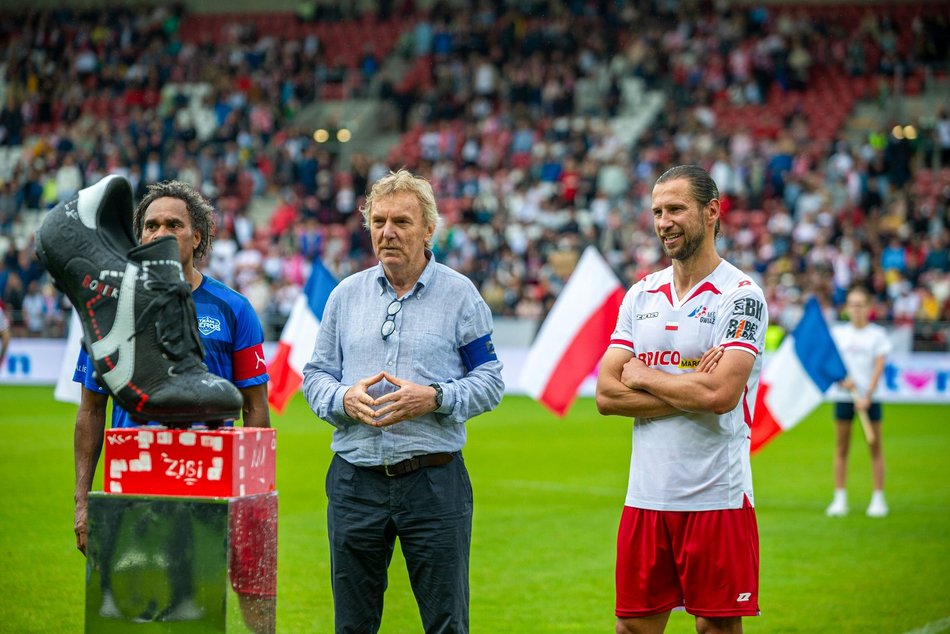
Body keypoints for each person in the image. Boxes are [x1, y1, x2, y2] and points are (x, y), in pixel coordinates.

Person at [303, 169, 504, 634]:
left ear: (429, 229)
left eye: (401, 222)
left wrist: (434, 397)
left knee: (446, 623)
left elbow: (490, 380)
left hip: (433, 482)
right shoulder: (344, 296)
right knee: (352, 625)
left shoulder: (460, 295)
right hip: (355, 483)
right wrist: (343, 397)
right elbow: (315, 377)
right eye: (378, 221)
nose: (387, 232)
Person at [71, 180, 272, 625]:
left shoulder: (233, 308)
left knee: (201, 612)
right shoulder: (108, 309)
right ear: (139, 235)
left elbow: (255, 406)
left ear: (196, 236)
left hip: (209, 489)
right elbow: (90, 409)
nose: (160, 232)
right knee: (130, 614)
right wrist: (83, 500)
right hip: (133, 487)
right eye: (151, 224)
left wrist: (254, 499)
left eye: (174, 224)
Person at [595, 165, 768, 634]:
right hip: (645, 496)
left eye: (675, 209)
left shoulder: (742, 296)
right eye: (657, 212)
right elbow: (607, 394)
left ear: (712, 212)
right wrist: (691, 386)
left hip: (717, 496)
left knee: (715, 628)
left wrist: (645, 375)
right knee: (632, 628)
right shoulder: (640, 294)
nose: (663, 222)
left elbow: (722, 392)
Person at [826, 285, 892, 518]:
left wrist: (867, 396)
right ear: (847, 308)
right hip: (845, 398)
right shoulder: (839, 334)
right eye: (852, 305)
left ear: (869, 307)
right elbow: (831, 367)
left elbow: (879, 367)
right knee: (841, 447)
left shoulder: (878, 335)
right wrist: (843, 383)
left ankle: (878, 498)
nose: (856, 309)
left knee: (875, 447)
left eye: (860, 305)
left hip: (870, 400)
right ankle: (840, 498)